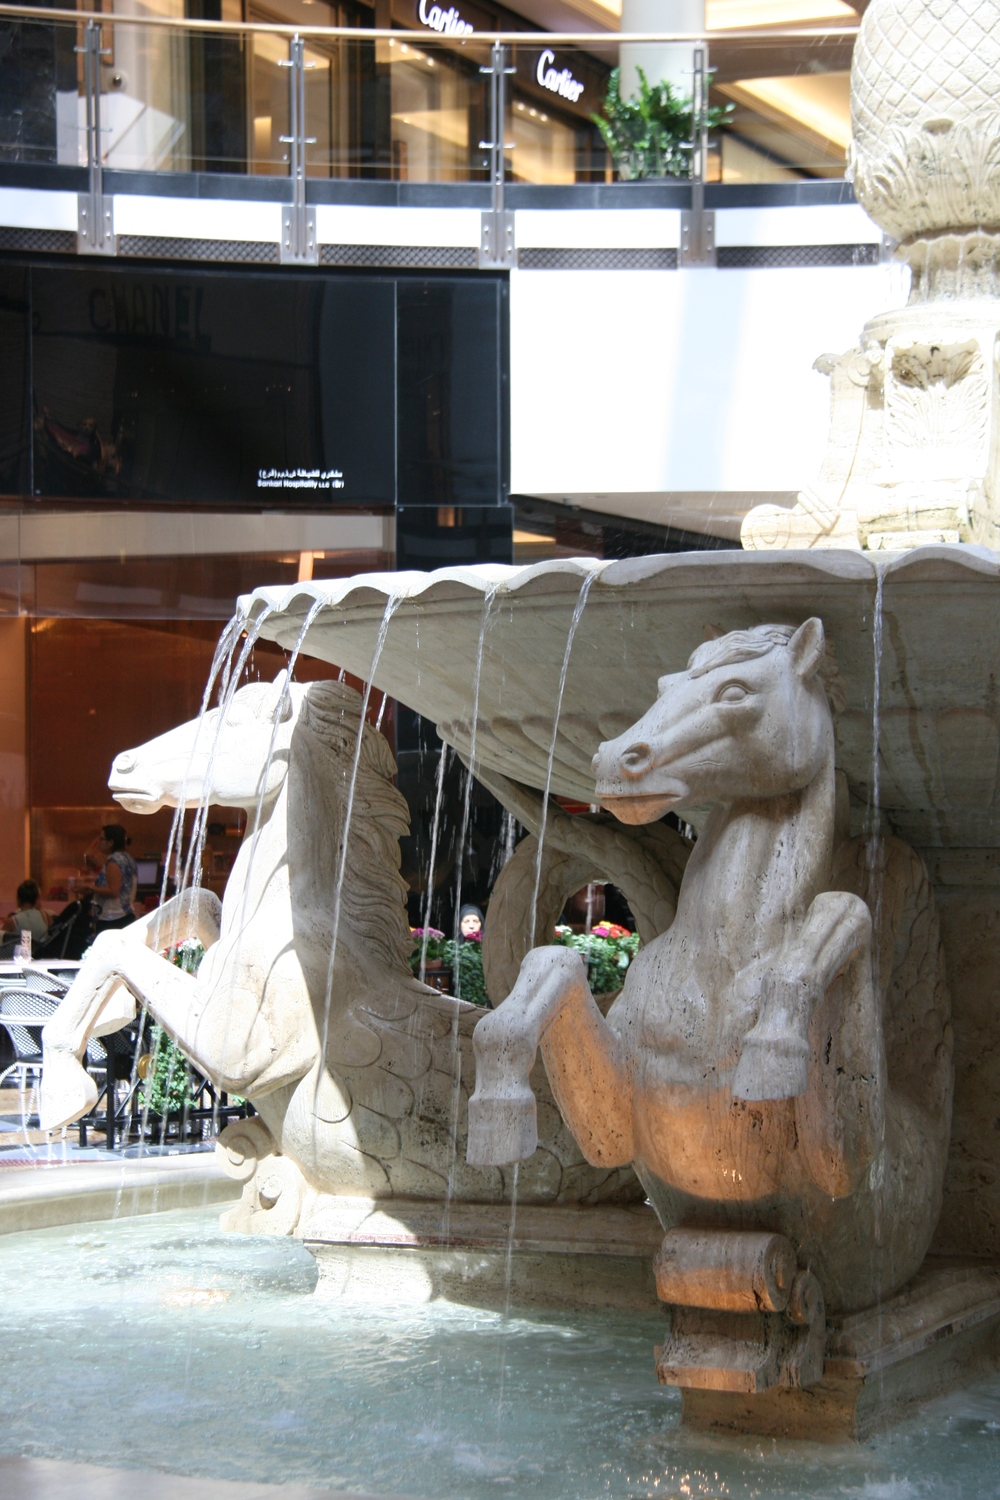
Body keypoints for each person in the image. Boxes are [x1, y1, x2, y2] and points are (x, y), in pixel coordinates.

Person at [81, 824, 139, 933]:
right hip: (125, 914)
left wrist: (90, 888)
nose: (99, 842)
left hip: (112, 918)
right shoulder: (128, 858)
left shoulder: (113, 861)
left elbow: (113, 891)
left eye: (102, 839)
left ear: (111, 842)